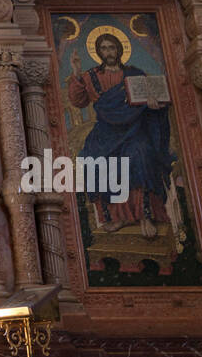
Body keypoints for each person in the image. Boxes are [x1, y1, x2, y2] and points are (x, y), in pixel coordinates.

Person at [67, 33, 174, 241]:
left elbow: (154, 100)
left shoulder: (135, 73)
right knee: (94, 160)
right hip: (106, 131)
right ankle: (119, 216)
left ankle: (145, 216)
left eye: (112, 47)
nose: (109, 52)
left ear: (119, 50)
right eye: (104, 48)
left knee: (140, 153)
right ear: (99, 51)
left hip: (134, 129)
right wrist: (76, 73)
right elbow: (77, 101)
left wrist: (154, 105)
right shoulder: (91, 76)